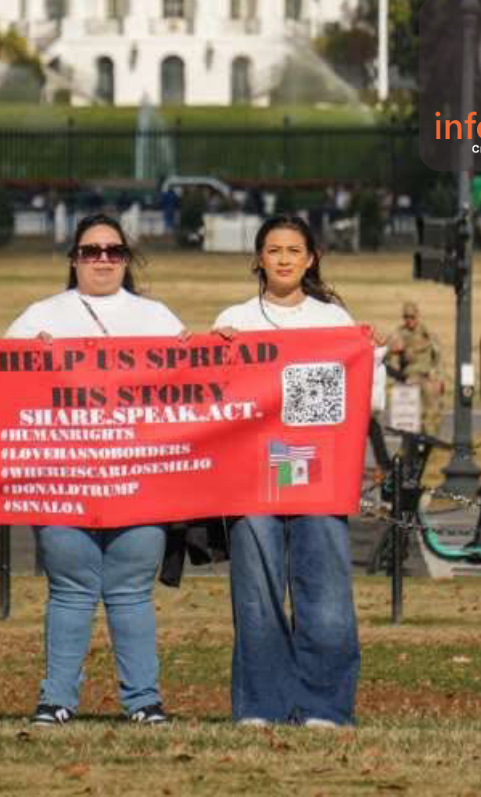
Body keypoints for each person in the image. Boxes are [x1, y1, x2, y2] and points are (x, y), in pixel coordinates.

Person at [6, 212, 184, 727]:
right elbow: (1, 389)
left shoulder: (157, 318)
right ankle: (56, 698)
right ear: (73, 259)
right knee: (69, 592)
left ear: (127, 259)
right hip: (64, 482)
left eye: (113, 251)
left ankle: (144, 700)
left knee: (131, 592)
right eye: (91, 251)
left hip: (139, 481)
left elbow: (198, 387)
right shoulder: (40, 316)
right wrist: (25, 357)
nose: (102, 259)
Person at [210, 215, 377, 727]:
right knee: (257, 594)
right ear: (258, 257)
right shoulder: (234, 317)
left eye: (294, 250)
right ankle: (261, 705)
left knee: (324, 592)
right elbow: (217, 400)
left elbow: (353, 399)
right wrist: (216, 351)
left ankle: (325, 706)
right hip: (250, 476)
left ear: (311, 258)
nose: (283, 258)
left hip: (316, 473)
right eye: (273, 249)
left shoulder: (333, 320)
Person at [386, 301, 444, 436]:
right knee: (413, 413)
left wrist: (439, 378)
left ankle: (431, 439)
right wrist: (393, 350)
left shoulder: (426, 333)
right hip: (410, 377)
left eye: (412, 317)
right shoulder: (399, 333)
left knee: (434, 410)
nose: (409, 320)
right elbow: (387, 359)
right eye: (406, 317)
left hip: (428, 376)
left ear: (417, 316)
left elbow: (438, 357)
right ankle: (412, 441)